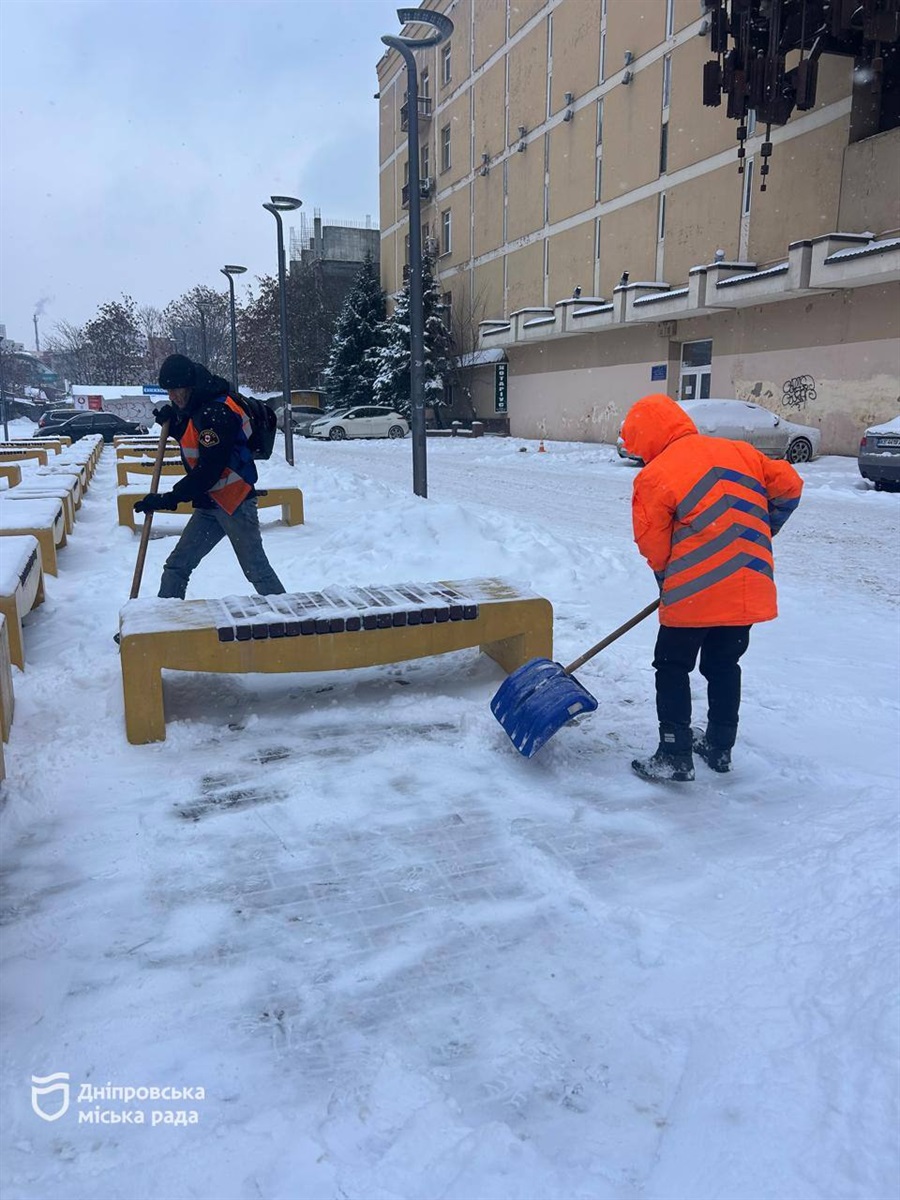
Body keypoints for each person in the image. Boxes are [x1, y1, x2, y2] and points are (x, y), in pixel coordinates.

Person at [619, 392, 803, 782]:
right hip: (748, 583)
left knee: (671, 666)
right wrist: (764, 529)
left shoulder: (656, 474)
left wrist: (667, 579)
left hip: (694, 590)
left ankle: (674, 754)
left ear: (647, 437)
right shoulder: (738, 451)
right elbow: (790, 485)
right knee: (724, 664)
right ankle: (720, 747)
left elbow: (653, 542)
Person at [134, 354, 285, 600]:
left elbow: (209, 469)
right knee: (177, 566)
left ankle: (291, 621)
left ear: (189, 387)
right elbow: (194, 436)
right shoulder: (198, 406)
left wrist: (168, 499)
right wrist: (173, 425)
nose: (171, 397)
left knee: (256, 570)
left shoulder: (217, 412)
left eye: (174, 390)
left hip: (234, 504)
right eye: (168, 391)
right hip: (211, 504)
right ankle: (160, 626)